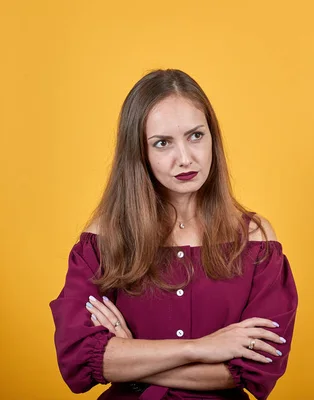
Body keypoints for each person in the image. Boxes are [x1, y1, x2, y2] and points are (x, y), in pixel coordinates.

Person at [49, 69, 298, 400]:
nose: (185, 158)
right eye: (162, 143)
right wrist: (202, 348)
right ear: (140, 153)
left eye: (196, 136)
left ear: (213, 138)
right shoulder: (103, 238)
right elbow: (79, 359)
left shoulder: (255, 238)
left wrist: (132, 354)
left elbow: (257, 367)